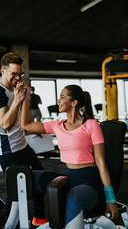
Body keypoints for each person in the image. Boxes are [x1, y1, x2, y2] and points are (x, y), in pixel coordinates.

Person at [19, 84, 119, 228]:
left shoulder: (91, 125)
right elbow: (26, 125)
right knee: (23, 176)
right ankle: (18, 223)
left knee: (73, 197)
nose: (58, 101)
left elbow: (101, 162)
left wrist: (111, 199)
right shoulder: (57, 125)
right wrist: (25, 99)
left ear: (74, 103)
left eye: (62, 97)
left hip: (90, 183)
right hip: (70, 178)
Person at [0, 52, 46, 225]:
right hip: (8, 152)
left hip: (23, 145)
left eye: (20, 74)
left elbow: (21, 121)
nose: (18, 77)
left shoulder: (16, 89)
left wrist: (30, 129)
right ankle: (10, 225)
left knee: (39, 178)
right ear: (3, 71)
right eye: (14, 74)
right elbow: (6, 123)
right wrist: (18, 100)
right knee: (16, 195)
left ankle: (39, 218)